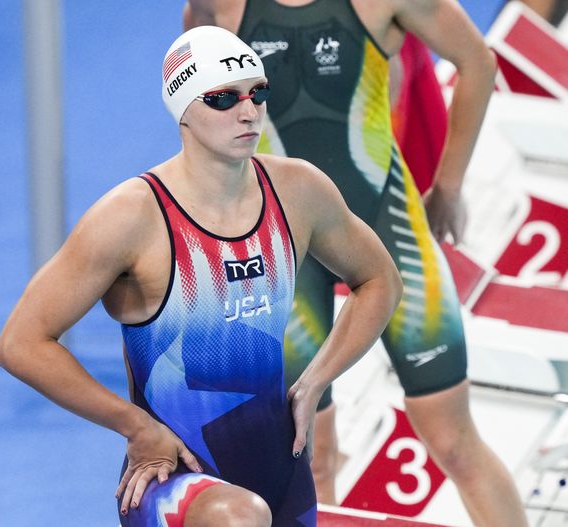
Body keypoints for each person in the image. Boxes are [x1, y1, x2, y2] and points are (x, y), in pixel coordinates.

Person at [0, 25, 401, 526]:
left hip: (281, 470)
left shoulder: (298, 190)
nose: (248, 110)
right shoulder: (130, 217)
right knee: (238, 518)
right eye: (223, 99)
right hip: (175, 480)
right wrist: (135, 426)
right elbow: (21, 342)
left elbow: (380, 281)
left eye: (258, 93)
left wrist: (315, 381)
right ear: (182, 110)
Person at [184, 1, 528, 525]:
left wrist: (450, 185)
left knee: (453, 441)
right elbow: (191, 109)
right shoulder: (215, 6)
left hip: (388, 231)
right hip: (284, 250)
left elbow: (477, 61)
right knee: (306, 455)